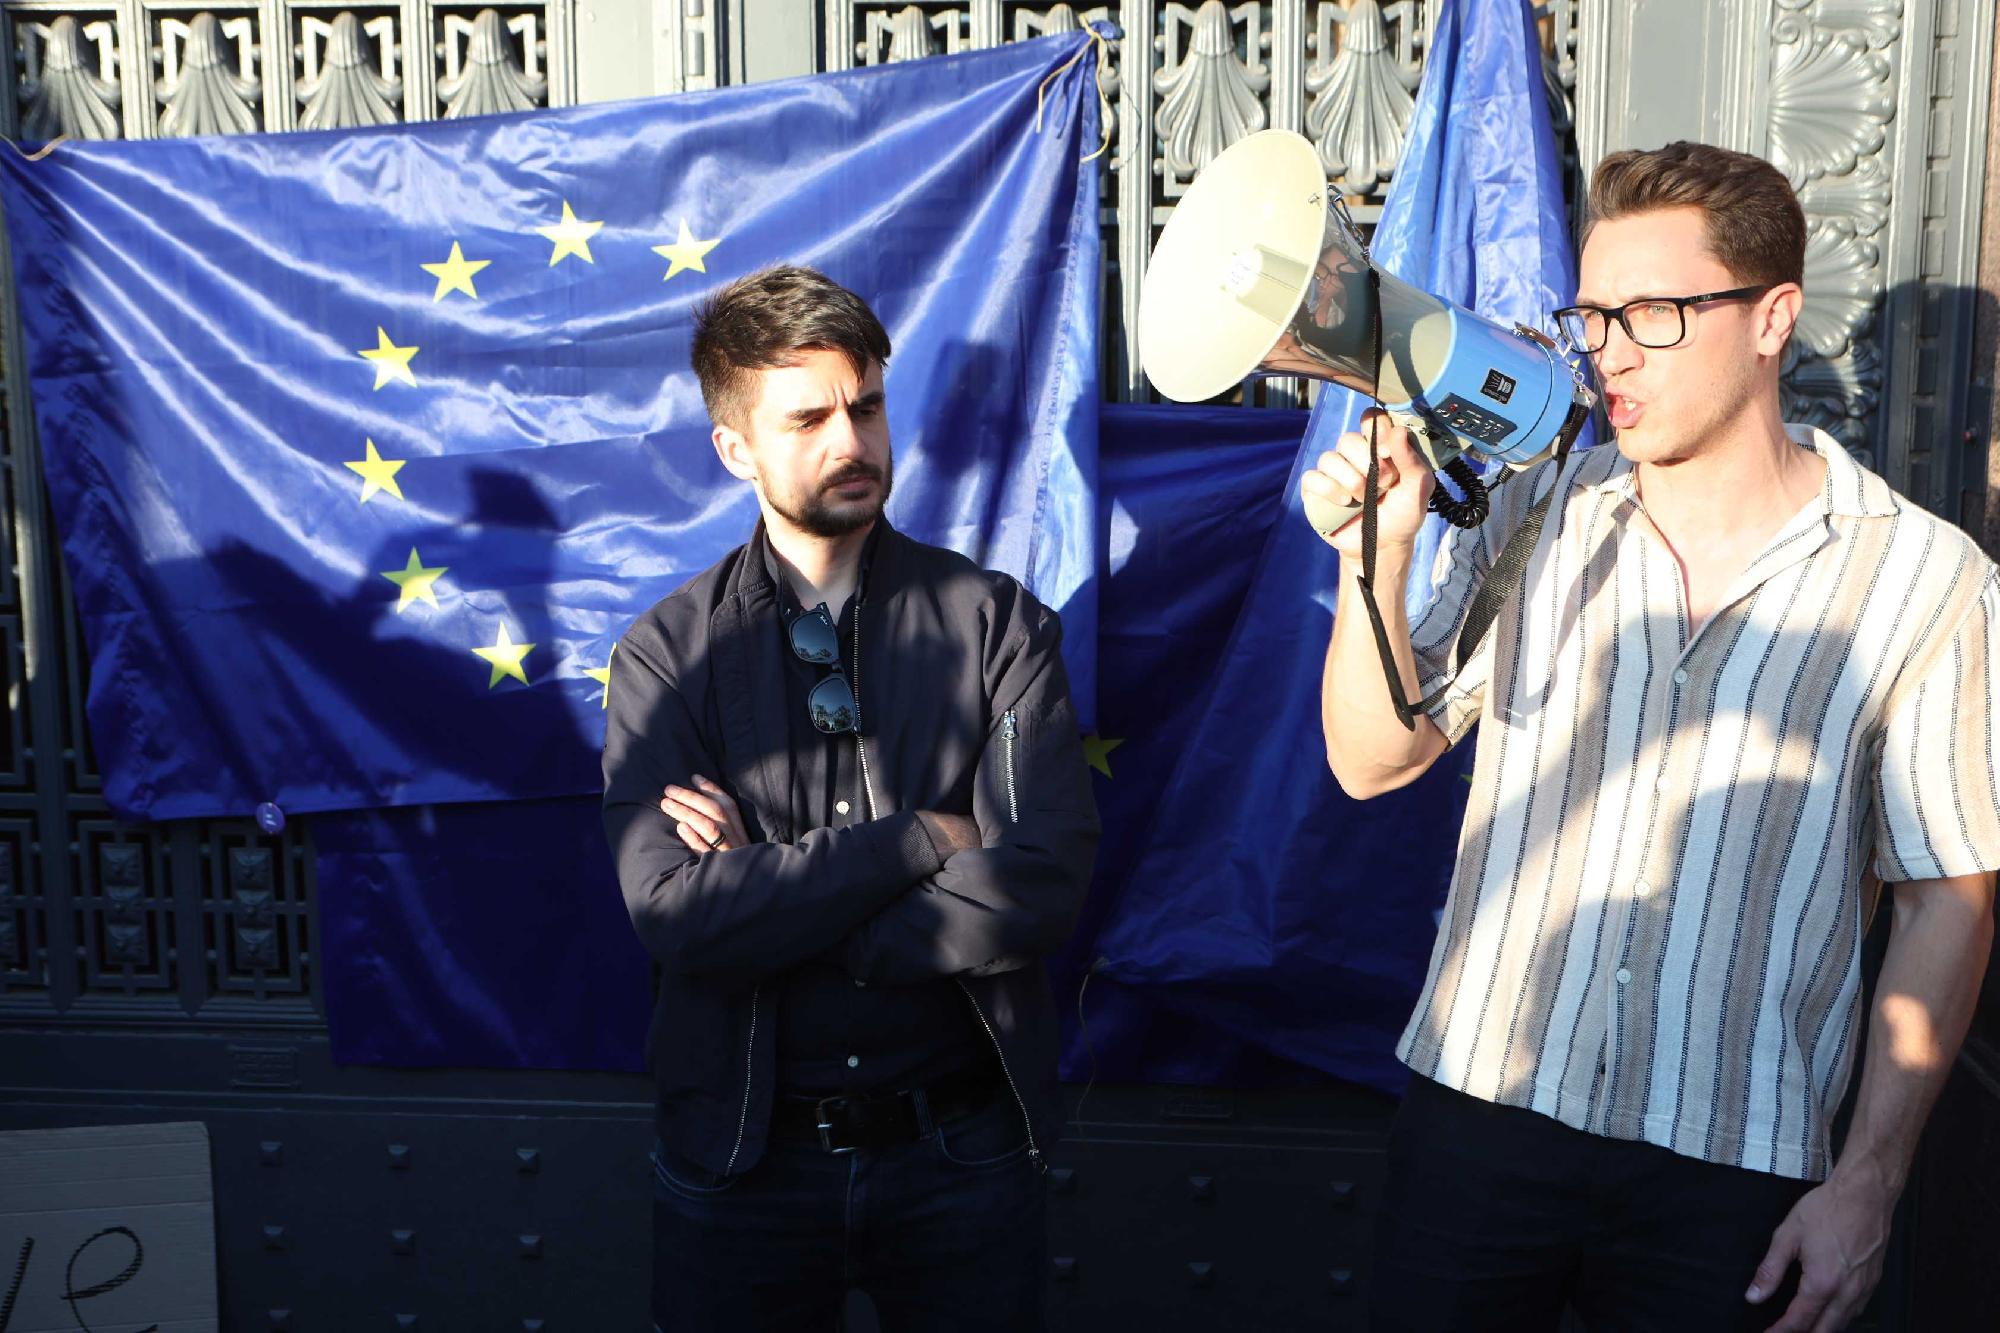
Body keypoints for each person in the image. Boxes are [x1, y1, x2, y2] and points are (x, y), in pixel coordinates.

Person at [1308, 141, 1998, 1332]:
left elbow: (1948, 896)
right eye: (1592, 316)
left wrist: (1869, 1180)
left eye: (1653, 314)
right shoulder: (1533, 511)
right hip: (1478, 1117)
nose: (1608, 353)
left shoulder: (1925, 581)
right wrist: (1375, 553)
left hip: (1731, 1165)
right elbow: (1373, 761)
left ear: (1771, 317)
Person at [600, 263, 1098, 1331]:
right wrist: (916, 840)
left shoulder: (997, 626)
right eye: (808, 418)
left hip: (961, 1153)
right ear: (735, 448)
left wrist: (770, 898)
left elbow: (1038, 884)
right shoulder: (666, 658)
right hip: (742, 1165)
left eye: (865, 407)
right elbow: (675, 913)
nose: (851, 441)